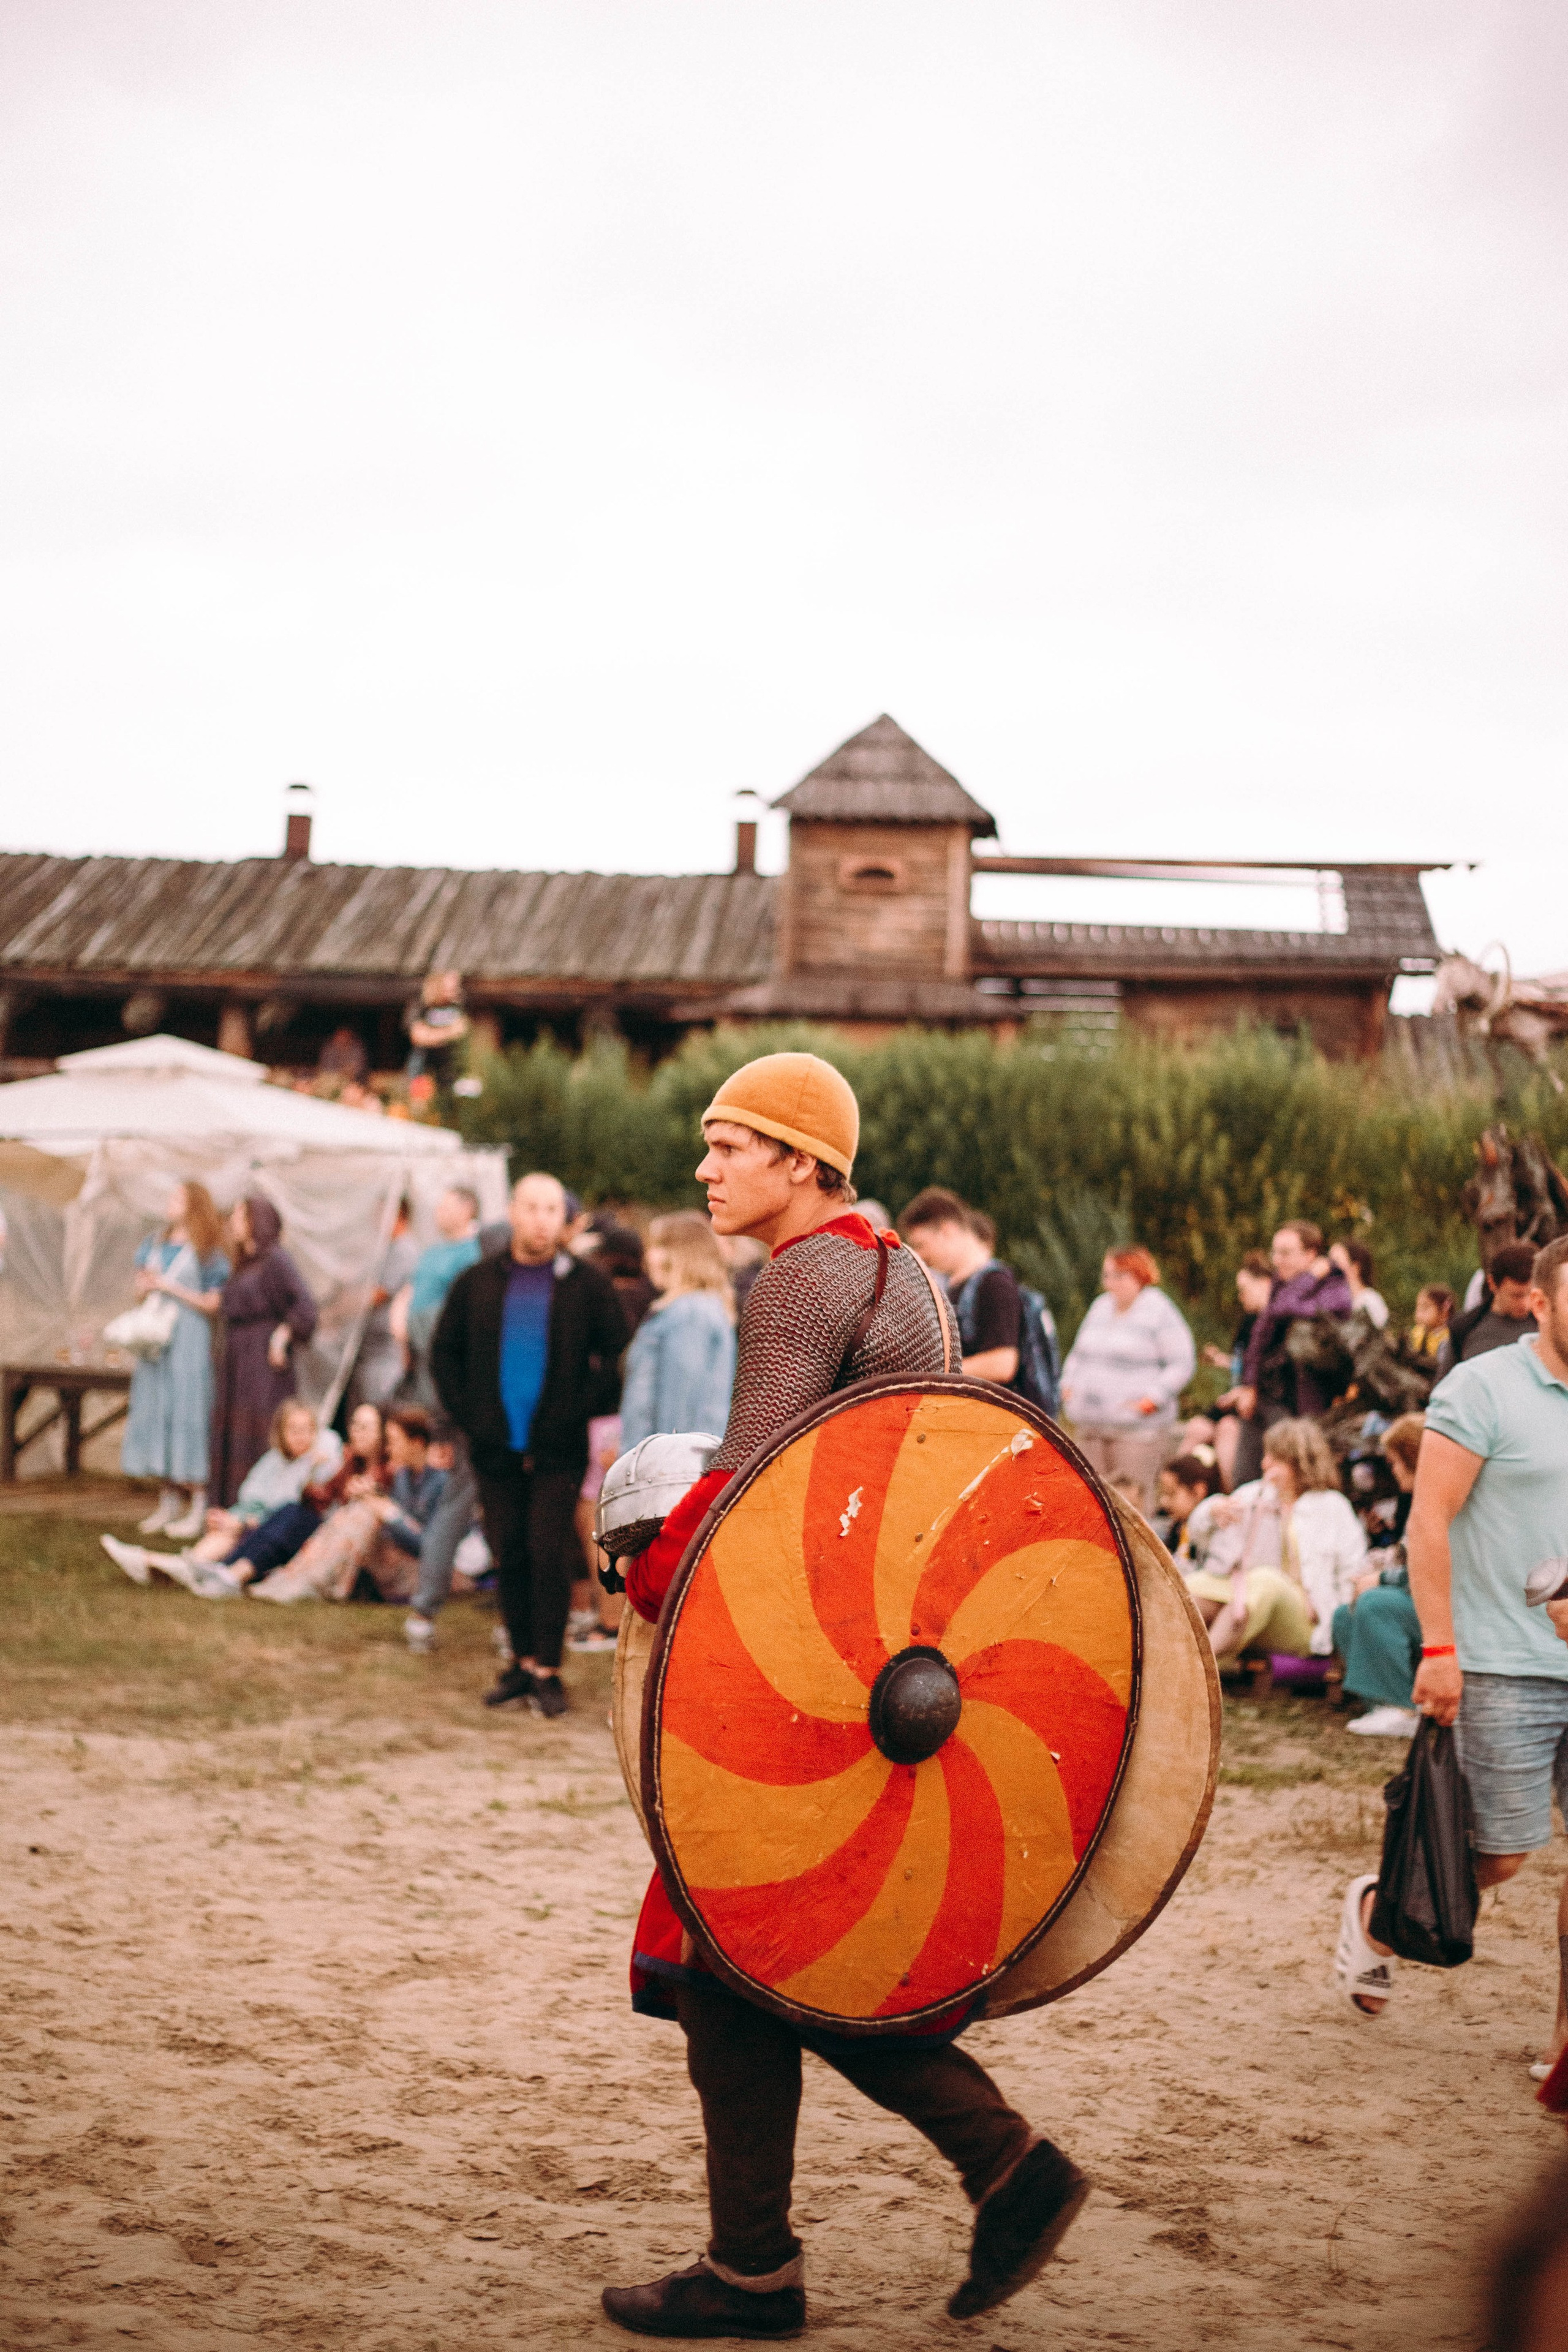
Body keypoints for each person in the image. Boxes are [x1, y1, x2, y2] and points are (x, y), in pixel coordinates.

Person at [602, 1052, 1085, 2340]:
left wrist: (647, 1565)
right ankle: (768, 2254)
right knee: (756, 1968)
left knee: (749, 1958)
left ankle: (967, 2181)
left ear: (801, 1165)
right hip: (903, 1666)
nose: (705, 1168)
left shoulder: (801, 1280)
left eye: (731, 1145)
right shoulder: (906, 1272)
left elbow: (758, 1500)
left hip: (817, 1676)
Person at [1335, 1235, 1568, 2068]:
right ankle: (1380, 1911)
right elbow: (1428, 1520)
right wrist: (1438, 1648)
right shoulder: (1482, 1386)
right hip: (1502, 1660)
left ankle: (1565, 2052)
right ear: (1536, 1302)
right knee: (1499, 1855)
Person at [431, 1172, 627, 1717]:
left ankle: (548, 1668)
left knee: (547, 1552)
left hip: (557, 1450)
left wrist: (576, 1409)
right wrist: (471, 1417)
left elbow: (616, 1354)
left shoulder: (585, 1285)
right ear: (513, 1213)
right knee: (509, 1551)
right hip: (496, 1448)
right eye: (531, 1207)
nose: (541, 1219)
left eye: (551, 1210)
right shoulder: (478, 1283)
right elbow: (444, 1354)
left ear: (562, 1220)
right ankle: (519, 1661)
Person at [101, 1398, 341, 1594]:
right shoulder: (272, 1462)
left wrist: (243, 1522)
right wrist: (234, 1517)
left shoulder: (321, 1461)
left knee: (232, 1532)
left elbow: (296, 1507)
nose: (301, 1436)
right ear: (281, 1433)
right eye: (293, 1430)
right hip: (256, 1525)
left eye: (306, 1430)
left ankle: (162, 1564)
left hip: (287, 1533)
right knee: (226, 1529)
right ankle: (163, 1564)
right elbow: (253, 1499)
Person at [1184, 1417, 1366, 1664]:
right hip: (1245, 1601)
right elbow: (1200, 1535)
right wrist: (1212, 1512)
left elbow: (1353, 1571)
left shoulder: (1332, 1506)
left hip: (1305, 1617)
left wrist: (1335, 1614)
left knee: (1265, 1580)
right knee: (1188, 1591)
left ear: (1298, 1462)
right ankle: (1159, 1667)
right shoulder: (1255, 1495)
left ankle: (1200, 1667)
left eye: (1274, 1457)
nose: (1264, 1463)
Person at [119, 1182, 231, 1539]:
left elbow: (214, 1304)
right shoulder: (154, 1243)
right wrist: (146, 1288)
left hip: (189, 1340)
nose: (169, 1202)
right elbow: (138, 1289)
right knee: (158, 1411)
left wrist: (170, 1288)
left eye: (177, 1197)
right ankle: (167, 1501)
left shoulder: (208, 1252)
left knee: (188, 1412)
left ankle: (198, 1503)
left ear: (194, 1204)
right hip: (156, 1342)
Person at [252, 1404, 443, 1603]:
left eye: (393, 1441)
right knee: (353, 1512)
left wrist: (390, 1514)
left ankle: (311, 1584)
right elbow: (322, 1498)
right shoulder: (401, 1476)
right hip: (389, 1558)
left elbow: (434, 1547)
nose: (388, 1447)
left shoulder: (439, 1481)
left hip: (431, 1571)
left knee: (364, 1514)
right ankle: (295, 1579)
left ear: (417, 1444)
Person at [1058, 1247, 1196, 1513]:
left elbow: (1182, 1362)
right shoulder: (1100, 1307)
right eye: (1107, 1276)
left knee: (1131, 1506)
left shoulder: (1159, 1310)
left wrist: (1152, 1400)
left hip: (1137, 1432)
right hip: (1091, 1426)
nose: (1111, 1283)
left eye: (1119, 1276)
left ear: (1139, 1276)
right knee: (1091, 1505)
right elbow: (1078, 1354)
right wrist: (1068, 1386)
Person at [899, 1191, 1060, 1413]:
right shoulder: (956, 1286)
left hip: (1005, 1426)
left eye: (921, 1244)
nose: (919, 1255)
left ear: (947, 1231)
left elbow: (1003, 1363)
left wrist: (934, 1373)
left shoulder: (995, 1284)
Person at [208, 1197, 318, 1507]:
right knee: (234, 1427)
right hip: (238, 1358)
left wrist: (283, 1334)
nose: (233, 1222)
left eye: (240, 1216)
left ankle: (261, 1507)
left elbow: (306, 1308)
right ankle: (231, 1505)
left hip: (262, 1361)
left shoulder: (276, 1261)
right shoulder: (244, 1263)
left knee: (260, 1426)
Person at [1330, 1414, 1425, 1739]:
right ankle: (1380, 1704)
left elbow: (1438, 1571)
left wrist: (1384, 1581)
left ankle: (1403, 1707)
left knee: (1376, 1604)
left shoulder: (1443, 1500)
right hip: (1414, 1594)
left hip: (1447, 1607)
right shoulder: (1412, 1501)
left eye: (1397, 1462)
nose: (1393, 1471)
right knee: (1346, 1614)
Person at [619, 1213, 737, 1452]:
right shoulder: (694, 1308)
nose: (649, 1257)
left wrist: (664, 1471)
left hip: (667, 1470)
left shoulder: (690, 1312)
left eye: (659, 1246)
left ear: (683, 1254)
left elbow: (681, 1415)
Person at [1233, 1221, 1352, 1433]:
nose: (1277, 1261)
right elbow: (1259, 1336)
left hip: (1312, 1407)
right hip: (1269, 1394)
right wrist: (1249, 1385)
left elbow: (1283, 1307)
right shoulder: (1282, 1283)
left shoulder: (1336, 1287)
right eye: (1275, 1253)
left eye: (1285, 1253)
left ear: (1310, 1254)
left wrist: (1310, 1277)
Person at [1207, 1253, 1276, 1489]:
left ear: (1264, 1282)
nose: (1240, 1296)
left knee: (1228, 1433)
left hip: (1266, 1407)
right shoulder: (1249, 1322)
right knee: (1200, 1427)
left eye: (1244, 1289)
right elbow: (1245, 1363)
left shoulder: (1277, 1320)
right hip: (1246, 1403)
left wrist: (1248, 1390)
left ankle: (1233, 1495)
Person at [347, 1201, 419, 1411]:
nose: (377, 1222)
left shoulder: (404, 1249)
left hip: (386, 1348)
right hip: (372, 1346)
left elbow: (380, 1293)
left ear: (398, 1215)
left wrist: (345, 1306)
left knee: (378, 1405)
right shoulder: (387, 1248)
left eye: (382, 1214)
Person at [1438, 1240, 1539, 1373]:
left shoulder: (1546, 1325)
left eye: (1530, 1294)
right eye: (1516, 1296)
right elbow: (1444, 1386)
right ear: (1492, 1284)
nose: (1525, 1304)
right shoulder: (1465, 1328)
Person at [403, 970, 470, 1104]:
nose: (456, 989)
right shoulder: (421, 1004)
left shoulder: (459, 1006)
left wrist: (433, 1035)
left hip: (450, 1072)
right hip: (423, 1071)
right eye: (452, 985)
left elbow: (464, 1030)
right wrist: (450, 1032)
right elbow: (418, 1036)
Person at [1153, 1452, 1222, 1558]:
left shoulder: (1212, 1532)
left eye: (1170, 1493)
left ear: (1198, 1491)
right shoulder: (1176, 1530)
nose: (1163, 1502)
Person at [1329, 1238, 1389, 1330]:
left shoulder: (1370, 1301)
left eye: (1336, 1261)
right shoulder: (1335, 1301)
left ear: (1355, 1268)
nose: (1329, 1267)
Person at [1401, 1283, 1455, 1373]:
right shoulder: (1417, 1333)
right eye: (1418, 1308)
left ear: (1444, 1312)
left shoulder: (1448, 1338)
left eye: (1425, 1308)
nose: (1419, 1314)